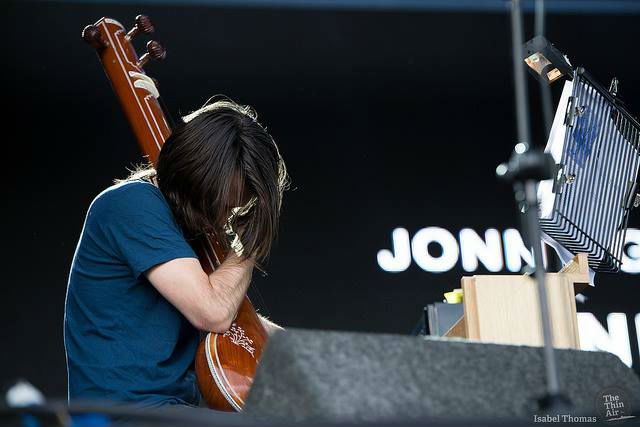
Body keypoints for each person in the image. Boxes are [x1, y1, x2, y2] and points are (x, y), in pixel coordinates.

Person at [64, 99, 288, 406]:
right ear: (193, 176)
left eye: (236, 208)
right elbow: (214, 312)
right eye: (220, 205)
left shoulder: (183, 224)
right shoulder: (132, 205)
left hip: (171, 410)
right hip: (127, 415)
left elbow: (239, 322)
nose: (224, 219)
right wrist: (247, 246)